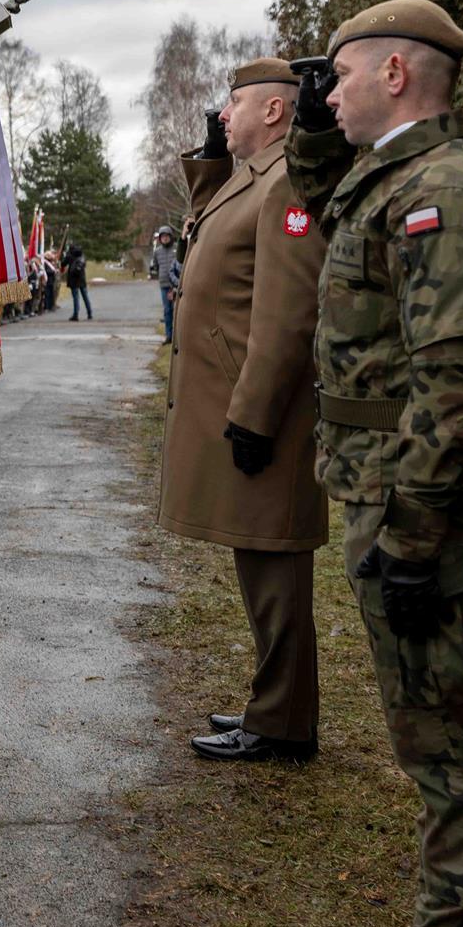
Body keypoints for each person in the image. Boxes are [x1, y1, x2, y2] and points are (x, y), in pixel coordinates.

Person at [287, 0, 463, 927]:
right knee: (432, 740)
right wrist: (312, 134)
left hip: (413, 502)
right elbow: (326, 211)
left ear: (395, 74)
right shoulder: (401, 180)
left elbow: (459, 382)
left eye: (342, 76)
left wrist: (416, 536)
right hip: (386, 490)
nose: (332, 92)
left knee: (454, 759)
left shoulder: (447, 198)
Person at [159, 57, 329, 765]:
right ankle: (273, 703)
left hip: (265, 412)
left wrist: (254, 415)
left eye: (235, 105)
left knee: (276, 566)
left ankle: (284, 721)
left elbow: (286, 315)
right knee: (257, 564)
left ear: (275, 111)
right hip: (240, 404)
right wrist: (208, 161)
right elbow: (210, 227)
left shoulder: (288, 180)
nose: (224, 115)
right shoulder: (253, 179)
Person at [150, 224, 180, 344]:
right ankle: (169, 335)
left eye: (167, 236)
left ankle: (178, 335)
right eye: (163, 237)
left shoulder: (176, 249)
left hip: (176, 285)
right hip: (164, 284)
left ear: (170, 237)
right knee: (167, 310)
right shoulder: (157, 252)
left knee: (177, 310)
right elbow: (156, 266)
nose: (165, 239)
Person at [62, 242, 91, 320]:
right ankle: (89, 312)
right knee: (85, 296)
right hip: (81, 278)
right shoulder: (82, 256)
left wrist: (63, 256)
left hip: (73, 279)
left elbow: (63, 264)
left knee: (76, 297)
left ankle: (76, 314)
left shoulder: (69, 255)